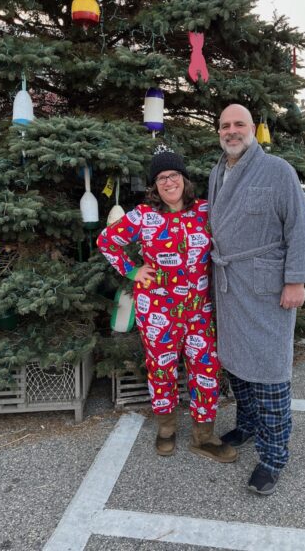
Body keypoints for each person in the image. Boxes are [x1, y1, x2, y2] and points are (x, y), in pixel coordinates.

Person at [97, 144, 237, 463]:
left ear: (184, 179)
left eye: (173, 174)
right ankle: (166, 430)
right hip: (156, 312)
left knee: (206, 369)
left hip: (198, 312)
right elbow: (106, 241)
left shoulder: (205, 211)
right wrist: (132, 270)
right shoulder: (143, 217)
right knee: (162, 371)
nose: (168, 181)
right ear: (154, 186)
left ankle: (203, 437)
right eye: (160, 177)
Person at [208, 104, 305, 495]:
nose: (231, 131)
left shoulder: (277, 171)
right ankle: (249, 425)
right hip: (229, 284)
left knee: (270, 372)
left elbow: (300, 228)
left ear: (253, 129)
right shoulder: (217, 171)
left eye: (239, 124)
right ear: (218, 131)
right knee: (237, 364)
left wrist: (296, 280)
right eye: (225, 125)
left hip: (267, 287)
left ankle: (274, 456)